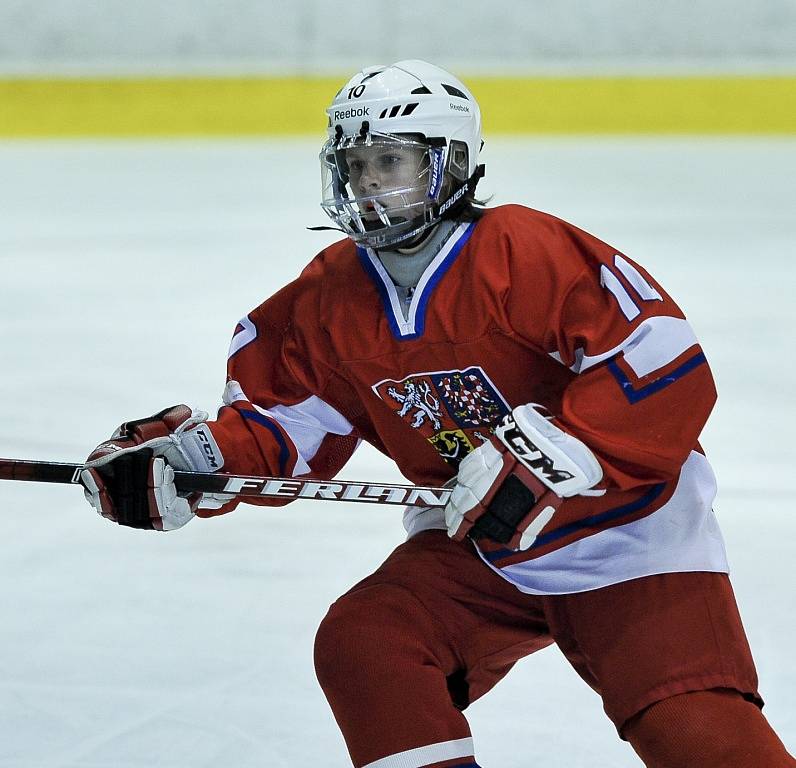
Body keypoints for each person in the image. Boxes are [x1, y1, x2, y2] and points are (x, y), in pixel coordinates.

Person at [80, 60, 794, 768]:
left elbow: (663, 361)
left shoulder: (522, 249)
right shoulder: (329, 296)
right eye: (356, 165)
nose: (367, 184)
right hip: (480, 547)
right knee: (370, 640)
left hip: (627, 537)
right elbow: (289, 428)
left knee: (697, 729)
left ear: (449, 166)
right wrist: (199, 463)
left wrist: (553, 458)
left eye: (391, 162)